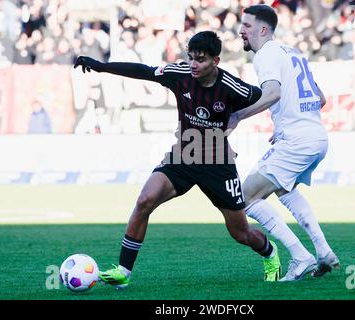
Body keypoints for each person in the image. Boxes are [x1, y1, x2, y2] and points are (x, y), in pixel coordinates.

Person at [73, 31, 282, 288]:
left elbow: (265, 96)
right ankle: (123, 271)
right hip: (183, 155)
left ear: (216, 61)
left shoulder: (231, 86)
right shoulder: (180, 74)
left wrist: (244, 119)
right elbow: (144, 71)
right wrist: (101, 67)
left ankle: (270, 254)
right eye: (191, 58)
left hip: (218, 164)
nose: (193, 64)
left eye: (201, 60)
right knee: (144, 200)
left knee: (240, 233)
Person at [230, 4, 339, 281]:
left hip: (297, 139)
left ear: (263, 29)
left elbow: (273, 93)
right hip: (315, 136)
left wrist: (237, 116)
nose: (241, 30)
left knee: (245, 199)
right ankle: (324, 251)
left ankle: (301, 257)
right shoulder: (292, 52)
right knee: (284, 190)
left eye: (247, 26)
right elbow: (321, 99)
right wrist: (284, 124)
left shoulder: (265, 54)